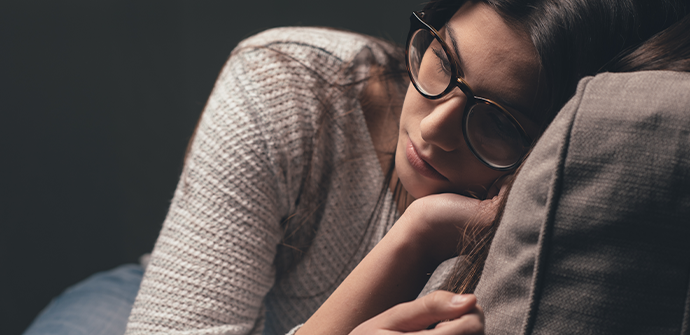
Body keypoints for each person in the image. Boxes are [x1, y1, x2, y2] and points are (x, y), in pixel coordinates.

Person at [22, 1, 689, 335]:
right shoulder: (288, 84)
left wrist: (428, 230)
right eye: (443, 61)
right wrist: (417, 232)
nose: (433, 126)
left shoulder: (562, 204)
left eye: (497, 119)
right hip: (183, 299)